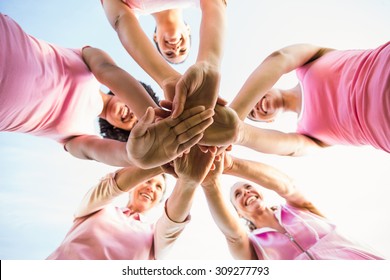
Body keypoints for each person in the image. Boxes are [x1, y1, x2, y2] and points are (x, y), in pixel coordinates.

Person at [0, 13, 214, 168]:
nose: (134, 115)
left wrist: (140, 155)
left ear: (118, 130)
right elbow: (108, 71)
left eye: (134, 124)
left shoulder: (77, 137)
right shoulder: (88, 58)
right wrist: (156, 117)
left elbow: (108, 153)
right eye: (138, 112)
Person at [200, 151, 384, 260]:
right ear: (238, 213)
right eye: (238, 194)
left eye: (248, 187)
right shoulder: (252, 247)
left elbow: (288, 186)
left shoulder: (298, 209)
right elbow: (233, 236)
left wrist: (230, 164)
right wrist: (210, 182)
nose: (246, 192)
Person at [47, 145, 216, 259]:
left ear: (159, 200)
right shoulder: (98, 209)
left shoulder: (153, 235)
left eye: (158, 187)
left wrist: (189, 181)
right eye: (149, 181)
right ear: (133, 187)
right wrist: (164, 160)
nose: (151, 188)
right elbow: (110, 188)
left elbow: (172, 225)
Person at [226, 42, 390, 156]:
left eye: (251, 103)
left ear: (266, 85)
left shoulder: (308, 63)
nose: (255, 107)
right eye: (253, 114)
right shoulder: (307, 134)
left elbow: (280, 58)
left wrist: (234, 115)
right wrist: (235, 132)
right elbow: (291, 149)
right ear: (269, 121)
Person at [101, 0, 228, 119]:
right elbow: (216, 4)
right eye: (183, 50)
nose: (175, 49)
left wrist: (168, 78)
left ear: (155, 38)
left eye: (169, 54)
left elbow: (121, 20)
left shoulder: (131, 8)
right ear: (188, 30)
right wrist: (208, 64)